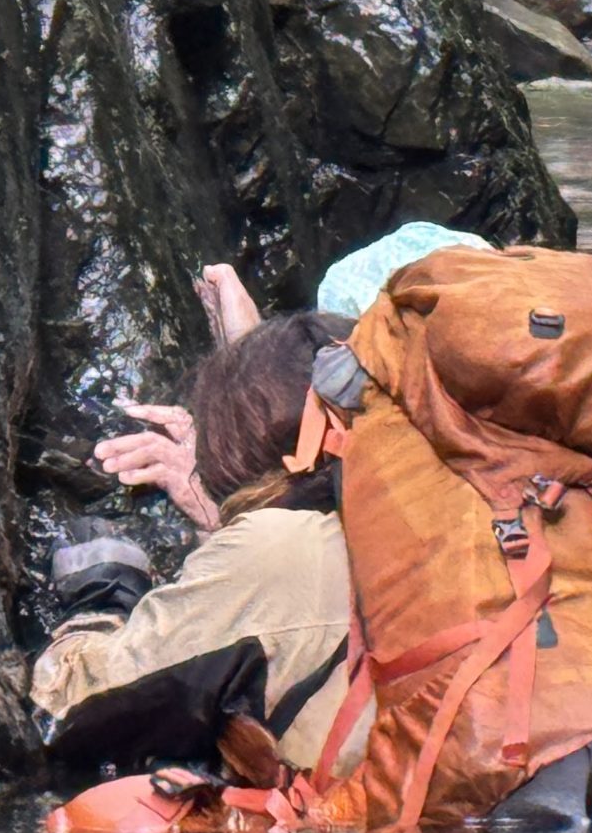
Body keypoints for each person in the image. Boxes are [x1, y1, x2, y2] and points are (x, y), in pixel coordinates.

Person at [33, 312, 361, 786]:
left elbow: (72, 713)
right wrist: (228, 515)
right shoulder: (440, 517)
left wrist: (99, 606)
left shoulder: (279, 547)